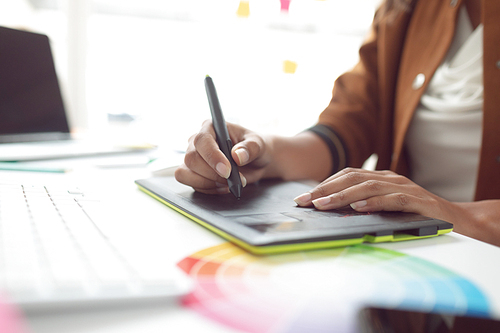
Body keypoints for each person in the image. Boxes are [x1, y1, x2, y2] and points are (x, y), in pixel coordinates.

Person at [175, 0, 500, 247]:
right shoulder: (405, 8)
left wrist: (457, 215)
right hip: (418, 253)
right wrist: (266, 152)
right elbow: (351, 123)